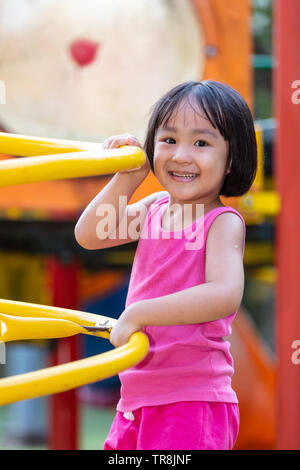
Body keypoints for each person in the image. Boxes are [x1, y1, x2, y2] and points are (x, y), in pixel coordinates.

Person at [74, 80, 257, 450]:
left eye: (201, 143)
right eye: (169, 140)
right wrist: (127, 177)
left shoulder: (221, 223)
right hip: (137, 397)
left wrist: (141, 312)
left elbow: (224, 294)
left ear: (232, 158)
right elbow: (89, 235)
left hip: (191, 400)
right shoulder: (155, 208)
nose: (181, 155)